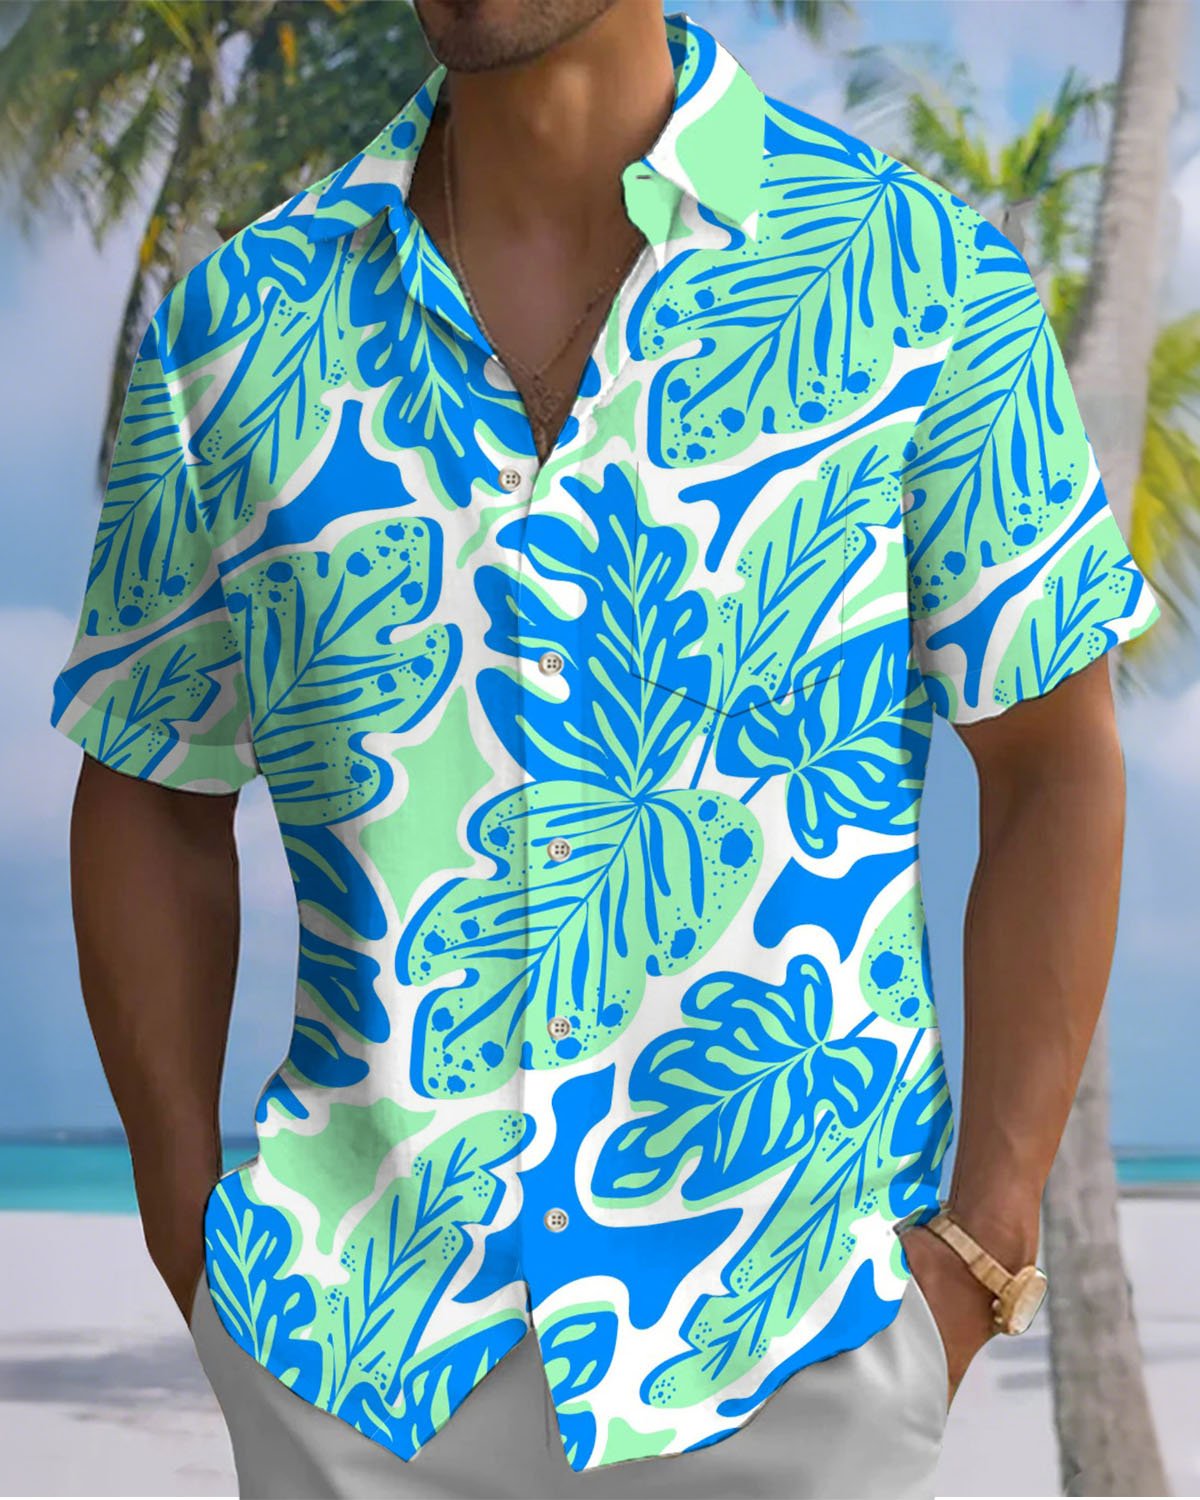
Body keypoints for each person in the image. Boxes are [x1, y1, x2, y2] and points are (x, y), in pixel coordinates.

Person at [49, 2, 1159, 1497]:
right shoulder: (239, 327)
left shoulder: (920, 283)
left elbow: (1052, 767)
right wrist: (190, 1235)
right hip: (348, 1360)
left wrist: (982, 1248)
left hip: (795, 1346)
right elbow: (148, 781)